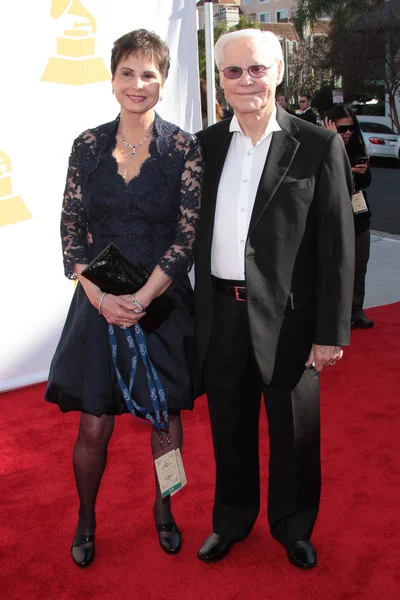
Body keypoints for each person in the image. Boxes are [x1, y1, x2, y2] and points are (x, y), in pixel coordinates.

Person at [194, 29, 354, 569]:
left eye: (256, 68)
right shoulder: (207, 145)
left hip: (291, 320)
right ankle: (232, 521)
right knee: (228, 429)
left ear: (279, 72)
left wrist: (330, 331)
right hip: (220, 314)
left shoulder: (317, 144)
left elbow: (336, 246)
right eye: (233, 71)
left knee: (294, 434)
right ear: (220, 80)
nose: (245, 80)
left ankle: (293, 527)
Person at [45, 29, 203, 568]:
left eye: (149, 74)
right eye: (128, 73)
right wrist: (99, 296)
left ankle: (166, 510)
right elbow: (70, 230)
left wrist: (140, 297)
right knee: (94, 423)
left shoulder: (184, 148)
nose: (138, 84)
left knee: (165, 420)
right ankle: (86, 519)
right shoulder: (86, 146)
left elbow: (186, 239)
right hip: (97, 305)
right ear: (112, 79)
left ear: (163, 81)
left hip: (160, 303)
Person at [323, 104, 374, 329]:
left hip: (358, 214)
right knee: (334, 267)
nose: (348, 133)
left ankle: (356, 311)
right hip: (331, 216)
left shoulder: (356, 145)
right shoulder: (321, 144)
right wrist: (332, 142)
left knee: (359, 263)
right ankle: (335, 315)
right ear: (330, 124)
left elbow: (365, 183)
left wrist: (360, 174)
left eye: (351, 128)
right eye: (342, 129)